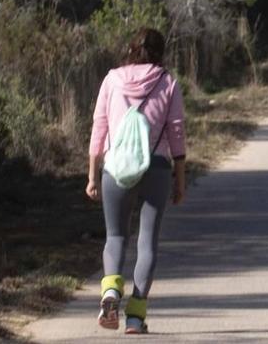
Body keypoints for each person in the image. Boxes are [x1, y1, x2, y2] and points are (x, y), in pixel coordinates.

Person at [86, 27, 188, 334]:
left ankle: (110, 292)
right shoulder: (167, 82)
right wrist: (180, 179)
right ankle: (134, 317)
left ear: (131, 49)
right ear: (161, 51)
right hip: (156, 168)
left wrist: (92, 175)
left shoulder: (111, 79)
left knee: (115, 237)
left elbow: (99, 127)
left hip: (115, 168)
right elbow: (177, 132)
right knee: (147, 243)